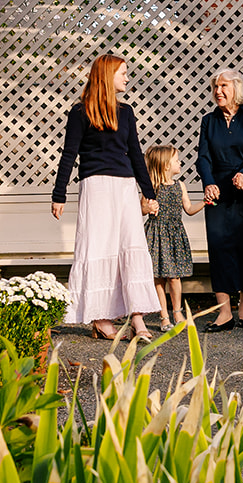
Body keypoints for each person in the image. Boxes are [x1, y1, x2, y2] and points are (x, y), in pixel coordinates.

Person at [51, 54, 160, 341]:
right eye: (123, 73)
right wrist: (58, 193)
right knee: (99, 247)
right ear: (107, 76)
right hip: (95, 187)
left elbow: (136, 154)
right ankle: (100, 319)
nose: (127, 78)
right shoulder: (80, 112)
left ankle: (137, 319)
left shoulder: (126, 113)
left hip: (124, 187)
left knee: (131, 245)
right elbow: (68, 154)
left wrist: (149, 193)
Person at [196, 68, 243, 331]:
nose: (218, 91)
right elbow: (203, 157)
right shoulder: (209, 120)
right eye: (215, 86)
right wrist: (208, 183)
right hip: (218, 191)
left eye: (223, 86)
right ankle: (224, 312)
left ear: (236, 88)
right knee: (219, 248)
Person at [142, 144, 203, 331]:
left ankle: (177, 311)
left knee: (174, 277)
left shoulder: (180, 185)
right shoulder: (151, 186)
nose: (180, 163)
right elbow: (141, 209)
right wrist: (148, 208)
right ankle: (164, 316)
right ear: (166, 165)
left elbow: (189, 209)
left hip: (175, 235)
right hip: (156, 235)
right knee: (158, 278)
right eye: (176, 160)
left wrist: (205, 202)